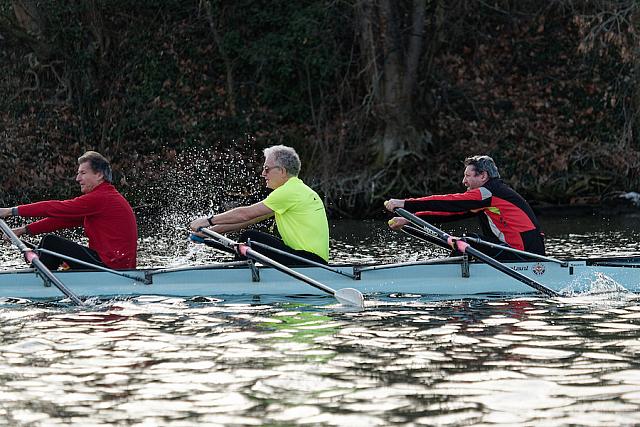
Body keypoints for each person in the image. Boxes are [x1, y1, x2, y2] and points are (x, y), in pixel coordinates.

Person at [190, 145, 329, 266]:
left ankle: (240, 278)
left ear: (282, 171)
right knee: (251, 240)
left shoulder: (288, 192)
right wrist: (209, 233)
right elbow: (250, 220)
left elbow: (245, 214)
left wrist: (207, 221)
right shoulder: (298, 189)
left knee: (250, 238)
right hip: (311, 260)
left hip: (310, 262)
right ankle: (242, 272)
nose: (263, 174)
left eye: (267, 169)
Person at [384, 155, 545, 259]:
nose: (464, 181)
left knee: (466, 241)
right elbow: (449, 213)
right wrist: (409, 219)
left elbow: (448, 202)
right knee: (465, 242)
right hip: (519, 252)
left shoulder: (488, 193)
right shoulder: (489, 198)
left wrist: (405, 203)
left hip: (525, 255)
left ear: (483, 176)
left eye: (467, 176)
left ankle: (450, 277)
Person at [0, 151, 138, 270]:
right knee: (47, 246)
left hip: (112, 268)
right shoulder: (105, 198)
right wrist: (23, 230)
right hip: (114, 265)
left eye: (83, 173)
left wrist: (10, 211)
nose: (78, 179)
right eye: (78, 173)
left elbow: (54, 208)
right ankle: (39, 277)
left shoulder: (101, 198)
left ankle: (36, 283)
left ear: (99, 175)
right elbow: (62, 221)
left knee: (50, 242)